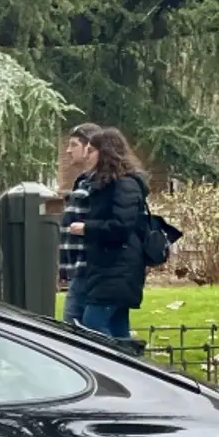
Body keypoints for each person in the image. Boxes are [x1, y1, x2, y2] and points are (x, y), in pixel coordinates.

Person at [65, 126, 149, 341]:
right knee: (118, 331)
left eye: (91, 150)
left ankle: (116, 369)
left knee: (93, 329)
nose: (87, 155)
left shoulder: (125, 184)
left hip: (116, 269)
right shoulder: (107, 183)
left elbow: (121, 226)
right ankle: (131, 369)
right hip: (107, 269)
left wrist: (87, 228)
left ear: (105, 153)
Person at [58, 123, 103, 326]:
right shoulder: (83, 180)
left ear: (89, 147)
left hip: (89, 268)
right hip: (79, 269)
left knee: (74, 328)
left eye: (74, 145)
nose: (68, 150)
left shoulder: (103, 181)